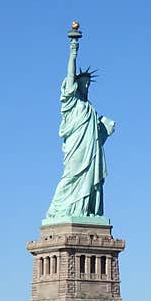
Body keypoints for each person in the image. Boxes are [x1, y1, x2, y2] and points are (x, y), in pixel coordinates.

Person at [45, 28, 116, 220]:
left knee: (88, 179)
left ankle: (85, 211)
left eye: (88, 84)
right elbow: (70, 76)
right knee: (71, 176)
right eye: (83, 83)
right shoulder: (71, 103)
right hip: (76, 149)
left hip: (90, 151)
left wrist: (104, 128)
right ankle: (58, 210)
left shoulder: (89, 107)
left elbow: (96, 135)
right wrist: (73, 52)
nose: (86, 86)